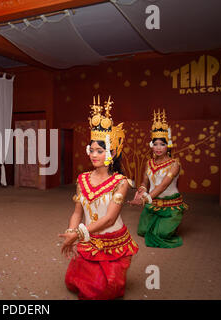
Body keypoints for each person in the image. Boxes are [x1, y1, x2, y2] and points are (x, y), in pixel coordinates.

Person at [59, 96, 138, 300]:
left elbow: (109, 219)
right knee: (74, 282)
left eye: (99, 151)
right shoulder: (82, 179)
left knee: (102, 291)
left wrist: (76, 235)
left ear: (111, 152)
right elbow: (77, 212)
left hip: (111, 239)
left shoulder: (121, 182)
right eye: (91, 150)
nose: (94, 155)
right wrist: (70, 232)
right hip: (88, 238)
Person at [129, 109, 187, 248]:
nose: (158, 148)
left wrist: (143, 199)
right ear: (151, 145)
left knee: (159, 235)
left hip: (170, 205)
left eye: (162, 144)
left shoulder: (174, 164)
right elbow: (145, 181)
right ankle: (163, 223)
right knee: (142, 231)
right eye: (155, 144)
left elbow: (163, 186)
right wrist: (142, 189)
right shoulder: (149, 163)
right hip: (153, 204)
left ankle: (172, 222)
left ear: (168, 145)